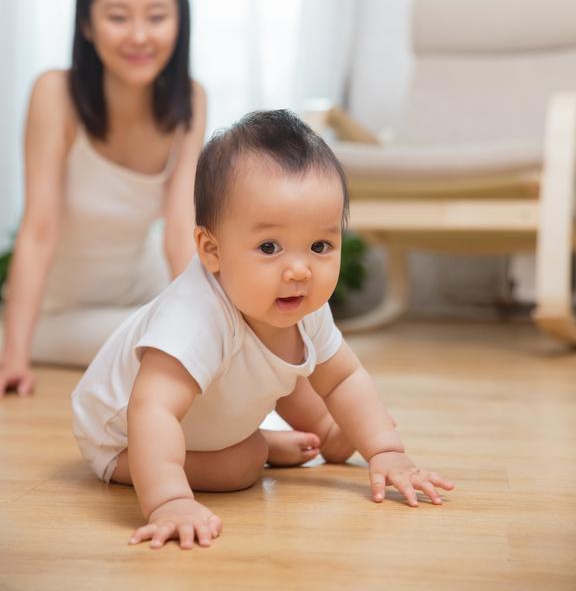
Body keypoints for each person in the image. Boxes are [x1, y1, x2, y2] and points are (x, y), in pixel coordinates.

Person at [71, 110, 455, 550]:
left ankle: (327, 433)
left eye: (320, 246)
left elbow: (344, 377)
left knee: (293, 362)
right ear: (211, 250)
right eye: (269, 247)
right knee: (242, 465)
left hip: (212, 401)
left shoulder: (298, 305)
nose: (299, 270)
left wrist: (387, 452)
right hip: (121, 435)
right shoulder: (193, 318)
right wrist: (170, 502)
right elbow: (152, 411)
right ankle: (263, 446)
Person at [0, 0, 207, 394]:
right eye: (118, 17)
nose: (139, 36)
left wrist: (214, 318)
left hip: (145, 286)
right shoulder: (55, 94)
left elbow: (179, 232)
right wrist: (13, 356)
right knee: (171, 345)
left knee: (230, 325)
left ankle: (312, 428)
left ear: (180, 23)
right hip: (62, 314)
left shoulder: (189, 98)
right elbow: (38, 230)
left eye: (156, 17)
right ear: (87, 26)